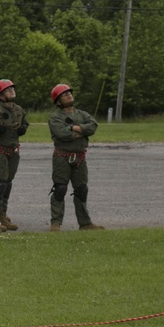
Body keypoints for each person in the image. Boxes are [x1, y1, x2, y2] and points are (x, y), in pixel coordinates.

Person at [48, 84, 104, 232]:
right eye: (64, 94)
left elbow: (93, 126)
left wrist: (73, 128)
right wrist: (82, 132)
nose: (68, 95)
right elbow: (61, 135)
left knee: (81, 189)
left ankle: (85, 223)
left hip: (80, 157)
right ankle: (56, 223)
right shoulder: (55, 118)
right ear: (58, 101)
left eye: (69, 93)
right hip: (62, 157)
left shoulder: (82, 114)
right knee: (60, 189)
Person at [0, 79, 29, 231]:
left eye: (12, 88)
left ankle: (3, 215)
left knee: (8, 183)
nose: (12, 90)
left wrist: (23, 128)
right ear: (0, 94)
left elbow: (24, 123)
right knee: (0, 183)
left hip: (13, 149)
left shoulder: (18, 109)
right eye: (7, 89)